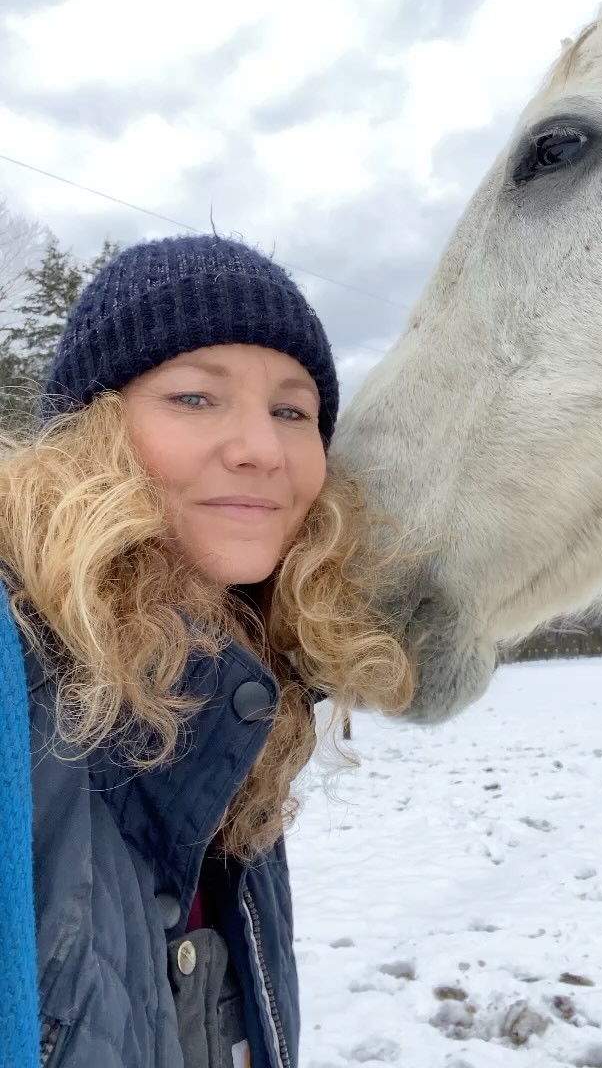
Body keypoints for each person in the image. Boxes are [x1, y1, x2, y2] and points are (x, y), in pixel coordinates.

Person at [0, 233, 414, 1068]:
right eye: (195, 397)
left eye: (292, 411)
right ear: (89, 432)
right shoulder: (20, 667)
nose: (262, 447)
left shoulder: (242, 695)